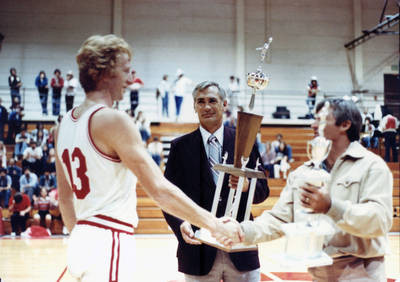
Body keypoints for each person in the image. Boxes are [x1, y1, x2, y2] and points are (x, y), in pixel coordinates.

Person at [55, 34, 241, 281]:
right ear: (104, 73)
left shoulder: (63, 125)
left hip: (79, 240)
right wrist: (214, 224)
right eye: (125, 70)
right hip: (109, 240)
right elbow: (159, 190)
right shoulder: (113, 120)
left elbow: (66, 200)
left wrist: (81, 237)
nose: (131, 79)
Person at [221, 98, 393, 281]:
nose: (313, 124)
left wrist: (332, 207)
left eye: (322, 119)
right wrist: (241, 230)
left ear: (345, 124)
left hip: (362, 272)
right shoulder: (302, 173)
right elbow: (279, 219)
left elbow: (380, 220)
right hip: (319, 272)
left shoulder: (372, 166)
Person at [163, 81, 269, 281]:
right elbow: (167, 196)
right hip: (198, 249)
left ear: (224, 104)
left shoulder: (245, 140)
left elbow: (263, 191)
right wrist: (181, 224)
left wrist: (246, 186)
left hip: (240, 246)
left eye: (212, 100)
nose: (207, 106)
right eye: (200, 102)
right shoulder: (180, 147)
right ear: (194, 107)